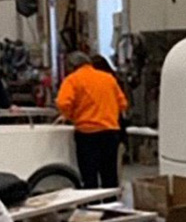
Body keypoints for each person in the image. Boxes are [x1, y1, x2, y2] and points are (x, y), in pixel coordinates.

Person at [56, 51, 130, 188]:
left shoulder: (72, 80)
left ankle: (92, 200)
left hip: (87, 134)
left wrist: (69, 116)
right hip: (110, 133)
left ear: (71, 67)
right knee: (110, 175)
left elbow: (63, 103)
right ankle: (110, 200)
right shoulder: (108, 78)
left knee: (89, 176)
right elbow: (123, 104)